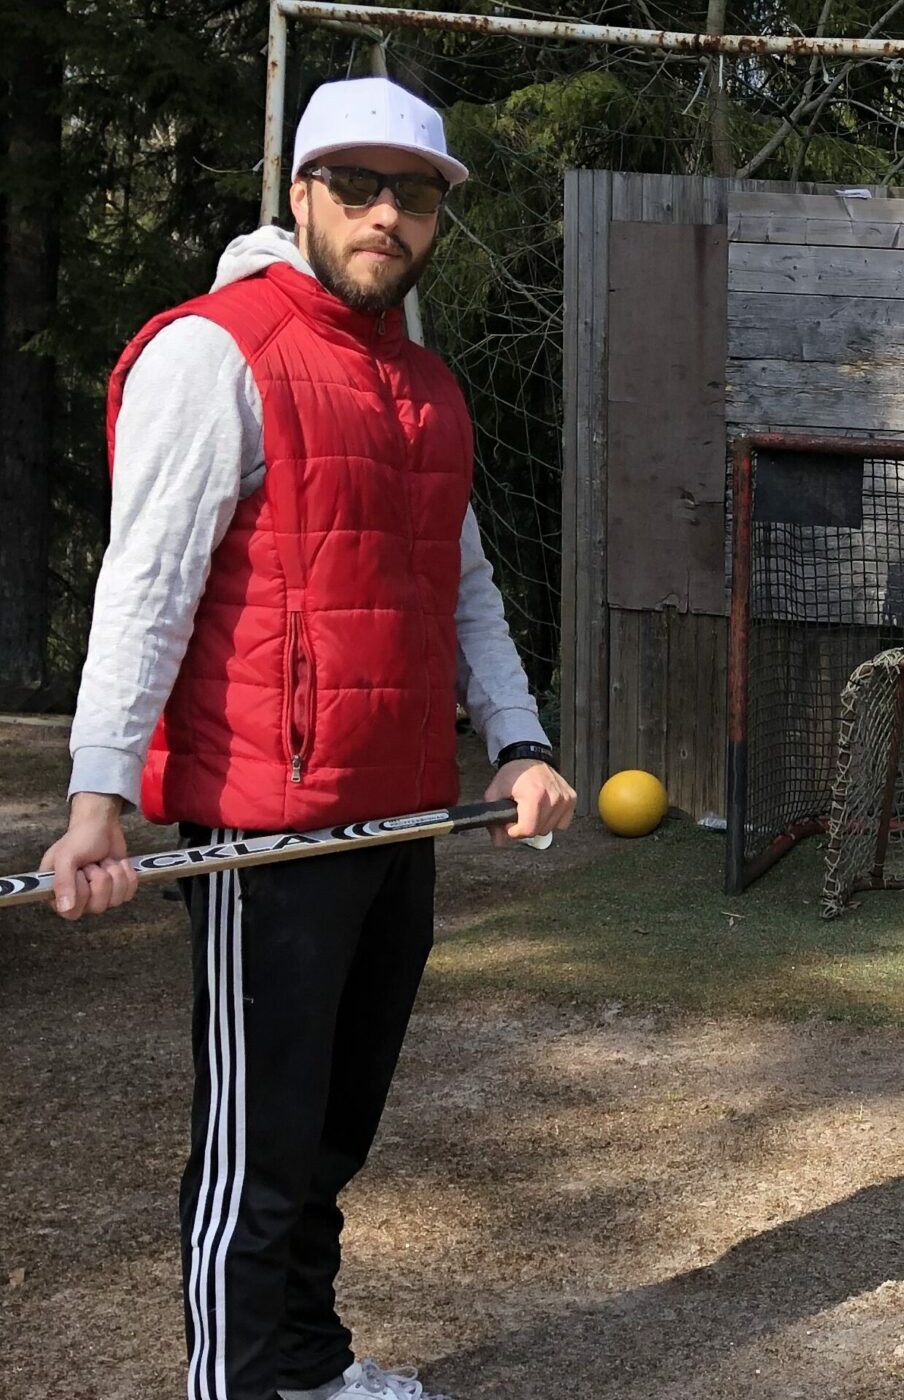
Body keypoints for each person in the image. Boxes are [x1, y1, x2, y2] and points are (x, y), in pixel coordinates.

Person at [36, 77, 575, 1398]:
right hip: (265, 828)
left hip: (400, 809)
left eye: (416, 193)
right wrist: (99, 800)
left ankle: (307, 1367)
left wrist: (517, 739)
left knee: (334, 1131)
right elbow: (147, 583)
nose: (388, 214)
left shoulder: (427, 386)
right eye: (358, 185)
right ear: (301, 195)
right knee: (261, 1145)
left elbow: (465, 588)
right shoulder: (214, 351)